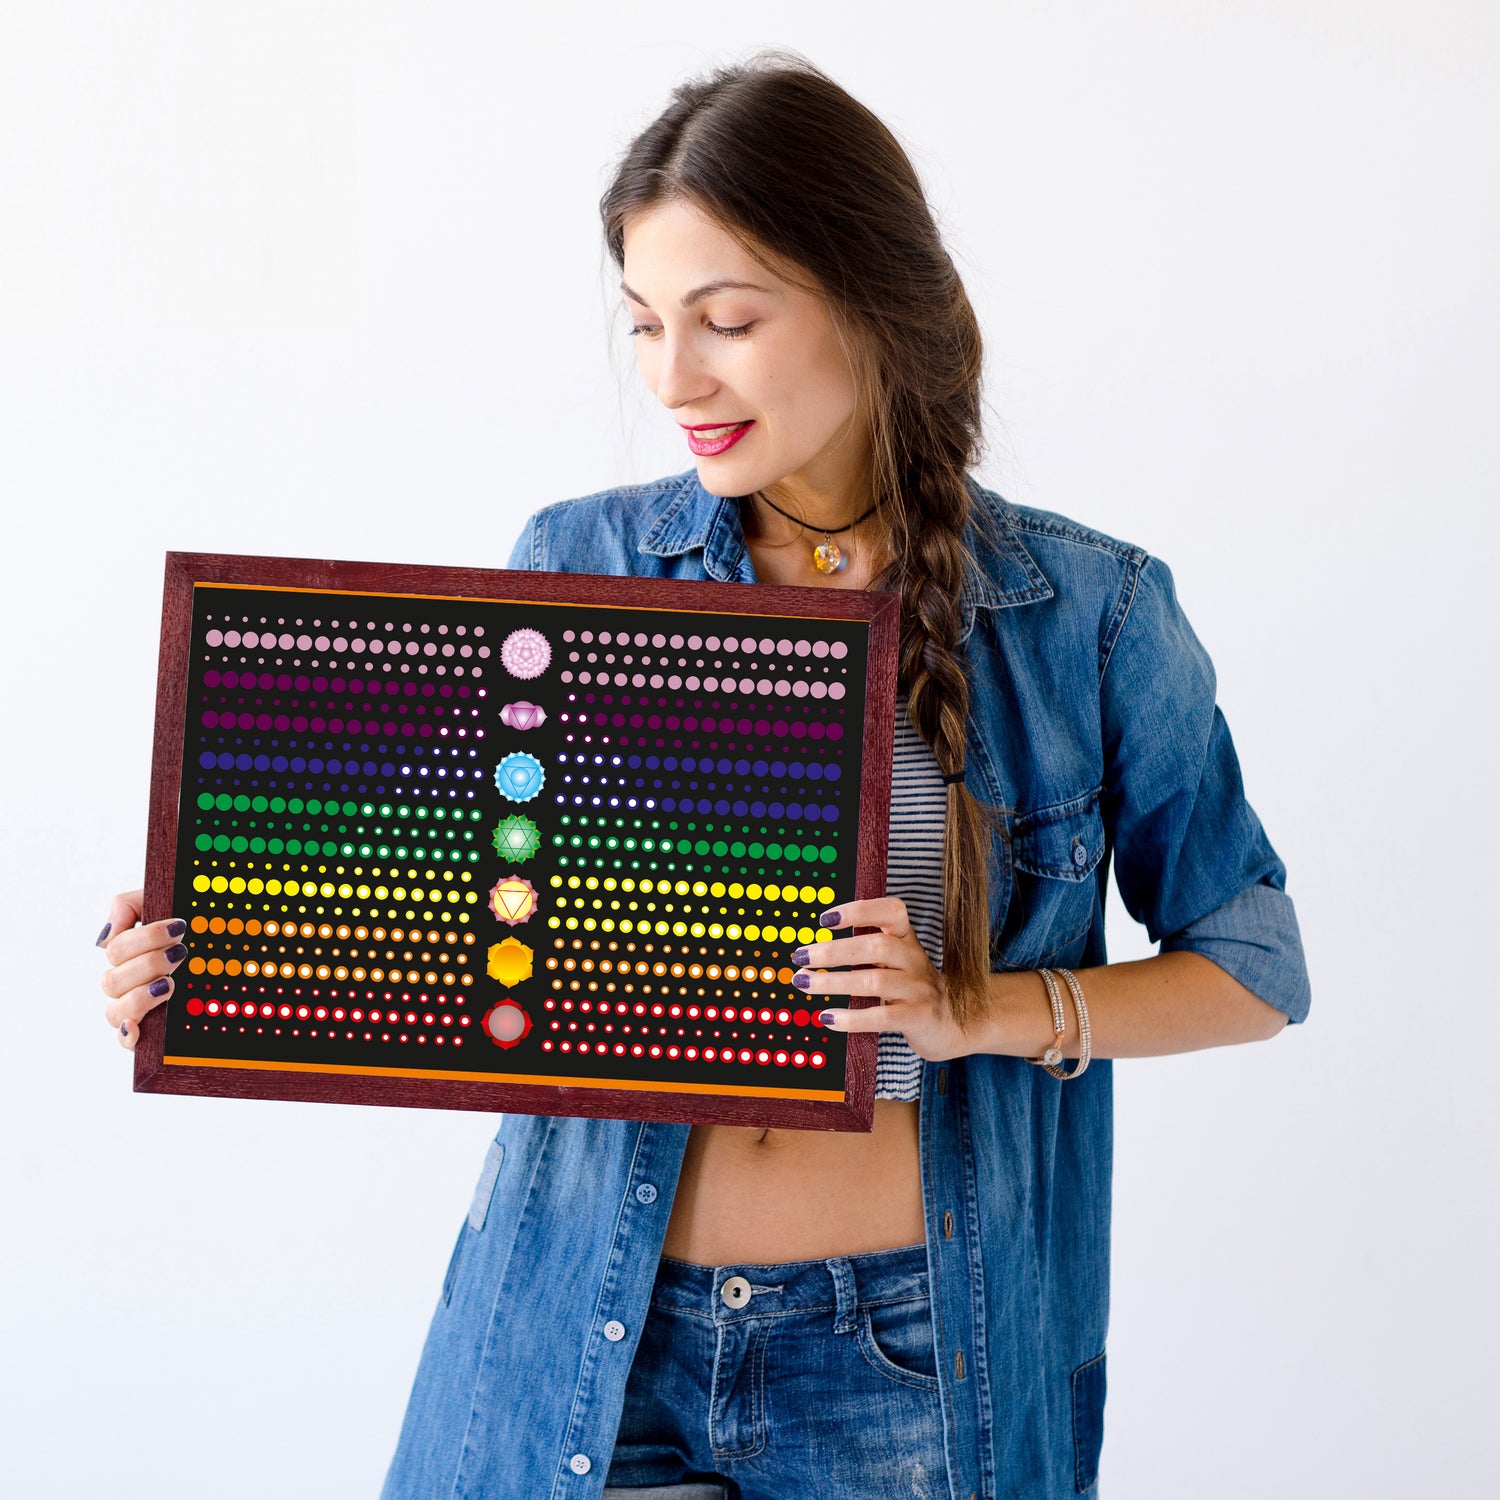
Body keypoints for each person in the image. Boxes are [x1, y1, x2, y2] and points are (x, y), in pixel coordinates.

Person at [97, 50, 1310, 1500]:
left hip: (910, 1355)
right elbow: (444, 903)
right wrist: (207, 946)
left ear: (871, 305)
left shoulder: (1090, 612)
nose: (673, 378)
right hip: (583, 1336)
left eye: (726, 321)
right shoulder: (579, 561)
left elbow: (1254, 966)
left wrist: (971, 1008)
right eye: (646, 322)